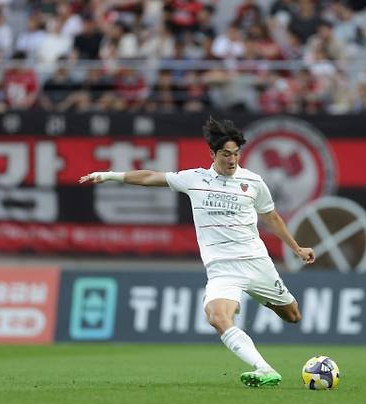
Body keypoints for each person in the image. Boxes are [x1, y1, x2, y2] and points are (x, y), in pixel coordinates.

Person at [79, 117, 315, 387]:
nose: (232, 160)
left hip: (256, 263)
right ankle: (264, 369)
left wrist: (297, 248)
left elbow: (271, 217)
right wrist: (109, 175)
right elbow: (149, 177)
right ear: (212, 154)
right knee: (217, 317)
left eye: (236, 154)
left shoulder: (253, 182)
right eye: (225, 154)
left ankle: (262, 297)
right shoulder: (194, 179)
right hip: (222, 270)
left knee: (293, 315)